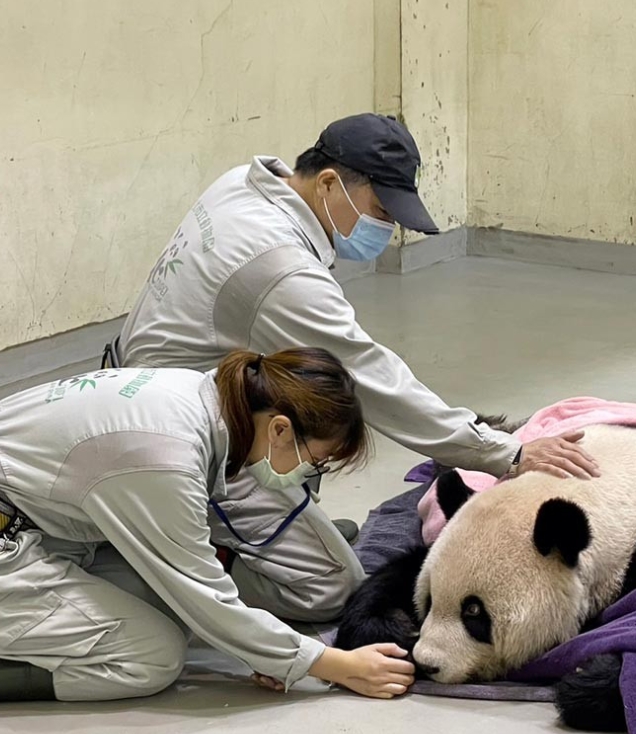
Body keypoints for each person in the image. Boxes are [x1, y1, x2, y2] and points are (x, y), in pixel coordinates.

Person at [106, 113, 600, 615]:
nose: (385, 229)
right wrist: (503, 453)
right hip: (176, 445)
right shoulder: (278, 267)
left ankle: (263, 532)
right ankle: (179, 565)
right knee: (335, 588)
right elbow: (370, 379)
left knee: (309, 393)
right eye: (380, 211)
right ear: (328, 183)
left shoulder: (242, 185)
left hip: (141, 392)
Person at [0, 349, 414, 703]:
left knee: (171, 608)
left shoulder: (195, 394)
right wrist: (332, 665)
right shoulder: (164, 457)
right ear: (279, 429)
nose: (307, 474)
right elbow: (206, 599)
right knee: (152, 656)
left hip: (5, 527)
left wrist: (269, 650)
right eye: (315, 462)